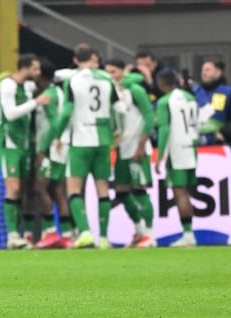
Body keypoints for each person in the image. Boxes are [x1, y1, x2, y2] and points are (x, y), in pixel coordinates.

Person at [52, 43, 125, 249]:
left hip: (81, 140)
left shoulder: (73, 81)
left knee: (73, 187)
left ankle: (85, 232)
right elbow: (119, 109)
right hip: (103, 140)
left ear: (75, 60)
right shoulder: (106, 79)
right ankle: (103, 237)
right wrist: (117, 131)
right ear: (93, 57)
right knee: (102, 189)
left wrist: (57, 136)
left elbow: (66, 113)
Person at [0, 53, 51, 249]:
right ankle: (12, 236)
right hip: (9, 142)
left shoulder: (26, 87)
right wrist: (36, 102)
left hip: (25, 143)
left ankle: (25, 236)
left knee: (27, 189)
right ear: (24, 68)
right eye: (35, 69)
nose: (38, 73)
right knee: (14, 188)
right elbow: (10, 114)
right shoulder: (8, 85)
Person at [104, 59, 156, 248]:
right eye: (107, 72)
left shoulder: (135, 90)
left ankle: (150, 235)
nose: (111, 76)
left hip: (137, 148)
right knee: (122, 191)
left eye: (114, 72)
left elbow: (150, 116)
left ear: (122, 72)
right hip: (121, 150)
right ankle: (139, 232)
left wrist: (141, 145)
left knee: (140, 189)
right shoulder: (110, 93)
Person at [155, 69, 198, 247]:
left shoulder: (165, 101)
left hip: (176, 151)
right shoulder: (190, 98)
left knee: (179, 192)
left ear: (162, 83)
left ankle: (188, 234)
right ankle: (189, 233)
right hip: (192, 148)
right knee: (186, 191)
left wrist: (159, 157)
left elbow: (164, 130)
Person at [33, 58, 74, 249]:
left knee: (40, 187)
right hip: (65, 144)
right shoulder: (60, 92)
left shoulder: (49, 95)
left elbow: (53, 124)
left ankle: (50, 232)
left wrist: (43, 150)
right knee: (58, 190)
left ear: (41, 74)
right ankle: (66, 235)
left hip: (53, 146)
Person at [193, 58, 231, 145]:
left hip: (219, 144)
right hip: (196, 144)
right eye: (202, 70)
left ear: (218, 72)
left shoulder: (228, 92)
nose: (203, 73)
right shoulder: (195, 91)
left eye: (208, 70)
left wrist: (224, 133)